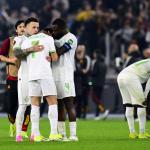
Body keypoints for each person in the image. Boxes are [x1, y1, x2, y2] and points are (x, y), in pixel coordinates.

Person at [21, 26, 61, 142]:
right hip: (44, 74)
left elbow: (20, 53)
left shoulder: (27, 41)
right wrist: (51, 57)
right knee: (53, 102)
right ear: (49, 32)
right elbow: (54, 57)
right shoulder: (48, 39)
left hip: (32, 75)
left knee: (34, 105)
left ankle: (36, 134)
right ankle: (53, 133)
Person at [13, 17, 44, 142]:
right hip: (25, 77)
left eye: (37, 27)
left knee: (35, 107)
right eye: (33, 27)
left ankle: (34, 134)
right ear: (25, 28)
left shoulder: (38, 39)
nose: (36, 30)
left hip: (37, 76)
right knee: (23, 106)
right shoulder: (19, 39)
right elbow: (17, 54)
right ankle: (18, 135)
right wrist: (31, 49)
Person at [0, 20, 30, 137]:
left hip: (27, 78)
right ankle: (12, 124)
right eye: (20, 27)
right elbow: (1, 55)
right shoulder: (10, 41)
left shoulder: (31, 41)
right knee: (10, 105)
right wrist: (10, 60)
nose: (22, 28)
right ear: (16, 29)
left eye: (24, 26)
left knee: (28, 105)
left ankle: (23, 130)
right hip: (13, 77)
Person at [51, 18, 78, 141]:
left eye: (55, 29)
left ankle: (73, 135)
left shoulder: (71, 38)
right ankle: (62, 135)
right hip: (54, 75)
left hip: (66, 75)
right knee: (59, 106)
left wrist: (49, 43)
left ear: (62, 28)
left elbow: (59, 52)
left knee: (69, 104)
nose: (54, 32)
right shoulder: (55, 39)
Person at [117, 58, 150, 139]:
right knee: (142, 104)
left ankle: (132, 133)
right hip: (131, 77)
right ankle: (142, 133)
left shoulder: (147, 61)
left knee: (129, 105)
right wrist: (145, 96)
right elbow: (149, 86)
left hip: (120, 76)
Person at [91, 50, 109, 120]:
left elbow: (94, 73)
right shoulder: (104, 64)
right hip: (101, 84)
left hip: (95, 84)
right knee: (98, 98)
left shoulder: (96, 63)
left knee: (94, 98)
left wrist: (90, 72)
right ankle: (97, 114)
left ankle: (103, 109)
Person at [74, 45, 91, 119]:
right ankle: (77, 114)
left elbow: (86, 70)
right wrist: (81, 71)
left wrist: (80, 71)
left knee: (85, 99)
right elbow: (74, 70)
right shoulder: (73, 58)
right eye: (79, 48)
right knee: (77, 99)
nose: (80, 49)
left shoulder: (86, 58)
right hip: (76, 82)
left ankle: (83, 115)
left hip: (85, 82)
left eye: (82, 49)